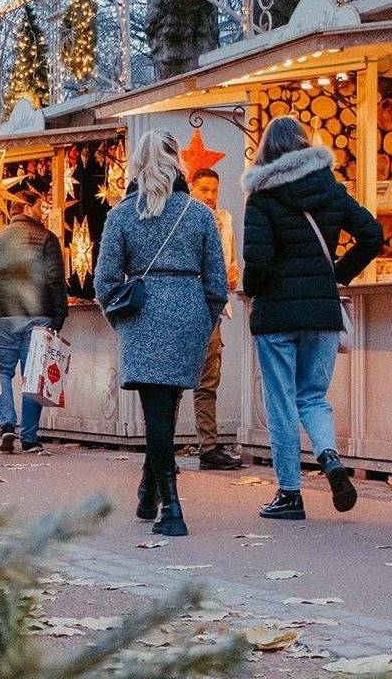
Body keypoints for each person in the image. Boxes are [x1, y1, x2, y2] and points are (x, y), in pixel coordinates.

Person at [241, 116, 381, 523]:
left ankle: (290, 493)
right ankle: (330, 457)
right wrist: (337, 273)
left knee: (281, 401)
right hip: (322, 311)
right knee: (313, 396)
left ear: (267, 150)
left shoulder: (262, 197)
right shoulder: (330, 189)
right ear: (304, 146)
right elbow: (372, 234)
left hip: (277, 316)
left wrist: (253, 287)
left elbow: (259, 261)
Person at [97, 132, 226, 537]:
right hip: (188, 313)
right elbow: (217, 285)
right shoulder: (200, 214)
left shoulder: (121, 215)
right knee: (166, 406)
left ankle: (171, 506)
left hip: (142, 316)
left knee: (157, 410)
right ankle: (148, 490)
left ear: (137, 164)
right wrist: (203, 323)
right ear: (178, 163)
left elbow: (104, 281)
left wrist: (122, 323)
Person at [0, 188, 68, 454]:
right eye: (41, 204)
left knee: (3, 372)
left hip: (2, 316)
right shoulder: (46, 238)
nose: (43, 210)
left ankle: (7, 424)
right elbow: (54, 278)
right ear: (28, 207)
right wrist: (59, 315)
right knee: (33, 376)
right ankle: (29, 437)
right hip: (36, 314)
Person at [187, 168, 244, 471]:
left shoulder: (225, 221)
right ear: (191, 189)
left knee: (208, 380)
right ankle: (159, 447)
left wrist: (231, 278)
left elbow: (231, 264)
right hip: (184, 309)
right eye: (204, 189)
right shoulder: (182, 219)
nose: (210, 196)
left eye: (214, 190)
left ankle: (208, 446)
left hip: (213, 310)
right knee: (171, 379)